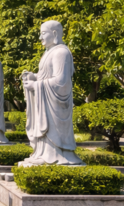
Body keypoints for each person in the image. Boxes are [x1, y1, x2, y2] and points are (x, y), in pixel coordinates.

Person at [19, 21, 82, 167]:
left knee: (53, 130)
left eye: (43, 33)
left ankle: (57, 155)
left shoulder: (61, 52)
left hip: (56, 103)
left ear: (54, 34)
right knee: (45, 130)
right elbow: (46, 76)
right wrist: (34, 77)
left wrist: (36, 85)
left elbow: (62, 81)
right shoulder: (48, 52)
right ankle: (43, 153)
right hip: (46, 100)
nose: (40, 37)